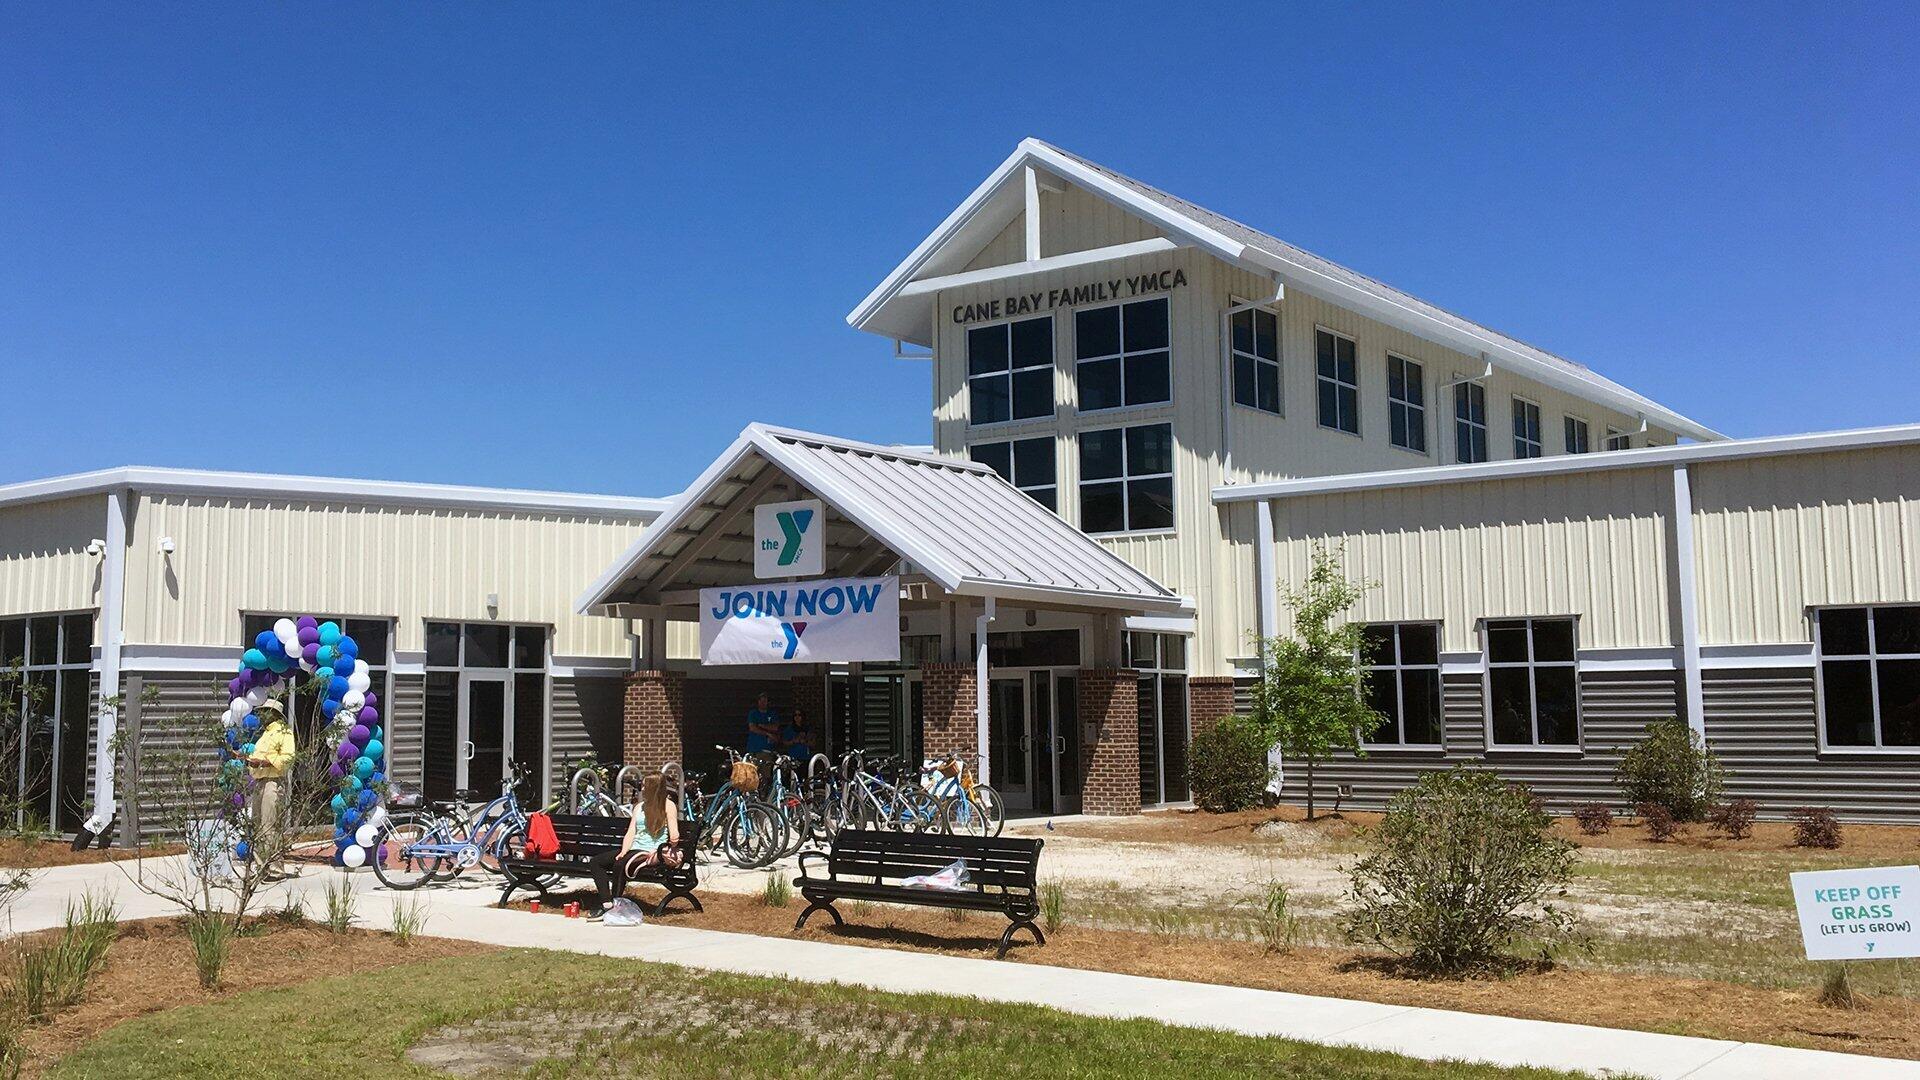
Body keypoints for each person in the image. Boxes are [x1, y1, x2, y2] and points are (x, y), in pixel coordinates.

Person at [598, 773, 682, 889]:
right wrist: (623, 851)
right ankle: (607, 901)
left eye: (644, 786)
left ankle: (616, 899)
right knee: (597, 862)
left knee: (619, 864)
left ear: (654, 788)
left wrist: (664, 848)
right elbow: (631, 831)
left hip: (651, 851)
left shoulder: (668, 806)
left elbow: (674, 836)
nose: (642, 789)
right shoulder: (639, 807)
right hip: (634, 849)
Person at [245, 697, 297, 880]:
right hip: (260, 781)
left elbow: (288, 757)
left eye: (264, 711)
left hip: (273, 782)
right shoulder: (264, 735)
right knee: (259, 825)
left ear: (273, 714)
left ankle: (275, 869)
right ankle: (261, 869)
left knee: (270, 825)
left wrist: (264, 762)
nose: (260, 715)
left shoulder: (284, 732)